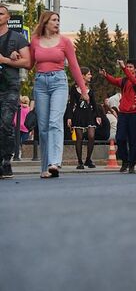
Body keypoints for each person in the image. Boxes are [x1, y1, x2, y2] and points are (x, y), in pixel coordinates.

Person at [30, 11, 88, 179]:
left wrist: (83, 90)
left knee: (55, 121)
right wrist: (14, 57)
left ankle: (54, 162)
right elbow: (29, 63)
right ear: (45, 22)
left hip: (59, 83)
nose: (57, 23)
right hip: (40, 83)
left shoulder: (64, 42)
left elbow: (74, 66)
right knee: (43, 127)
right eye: (54, 20)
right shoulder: (35, 41)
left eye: (58, 20)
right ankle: (45, 167)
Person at [0, 5, 30, 178]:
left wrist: (7, 60)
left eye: (1, 13)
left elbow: (28, 62)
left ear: (8, 17)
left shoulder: (17, 38)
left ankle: (6, 160)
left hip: (10, 87)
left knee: (5, 123)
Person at [101, 60, 136, 174]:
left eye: (131, 67)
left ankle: (132, 164)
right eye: (128, 66)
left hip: (134, 113)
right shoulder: (124, 80)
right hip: (123, 113)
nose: (128, 68)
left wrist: (124, 68)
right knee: (120, 138)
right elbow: (114, 81)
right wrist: (106, 75)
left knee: (133, 140)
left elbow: (134, 81)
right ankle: (125, 161)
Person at [65, 67, 103, 169]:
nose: (91, 76)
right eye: (89, 74)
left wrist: (98, 115)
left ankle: (88, 159)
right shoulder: (74, 88)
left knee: (91, 136)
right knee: (79, 138)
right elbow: (71, 104)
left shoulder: (90, 88)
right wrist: (69, 117)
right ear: (82, 75)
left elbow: (94, 103)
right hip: (78, 114)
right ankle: (80, 161)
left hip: (89, 114)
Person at [13, 96, 30, 162]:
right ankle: (23, 154)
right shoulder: (29, 109)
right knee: (24, 142)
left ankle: (17, 153)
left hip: (18, 127)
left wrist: (14, 124)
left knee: (17, 141)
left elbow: (14, 117)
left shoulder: (18, 108)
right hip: (26, 127)